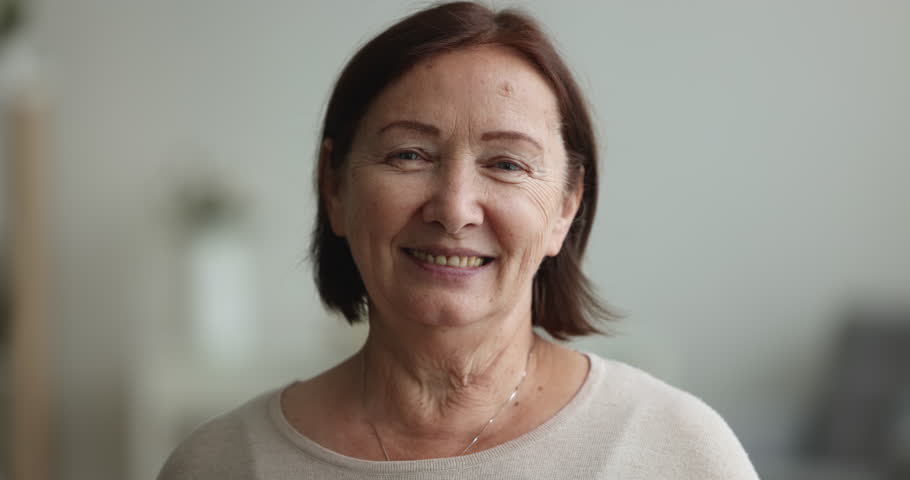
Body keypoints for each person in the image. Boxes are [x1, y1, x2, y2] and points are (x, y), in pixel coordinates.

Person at [158, 2, 760, 478]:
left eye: (506, 165)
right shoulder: (225, 462)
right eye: (409, 154)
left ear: (565, 208)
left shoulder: (675, 451)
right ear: (334, 188)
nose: (453, 208)